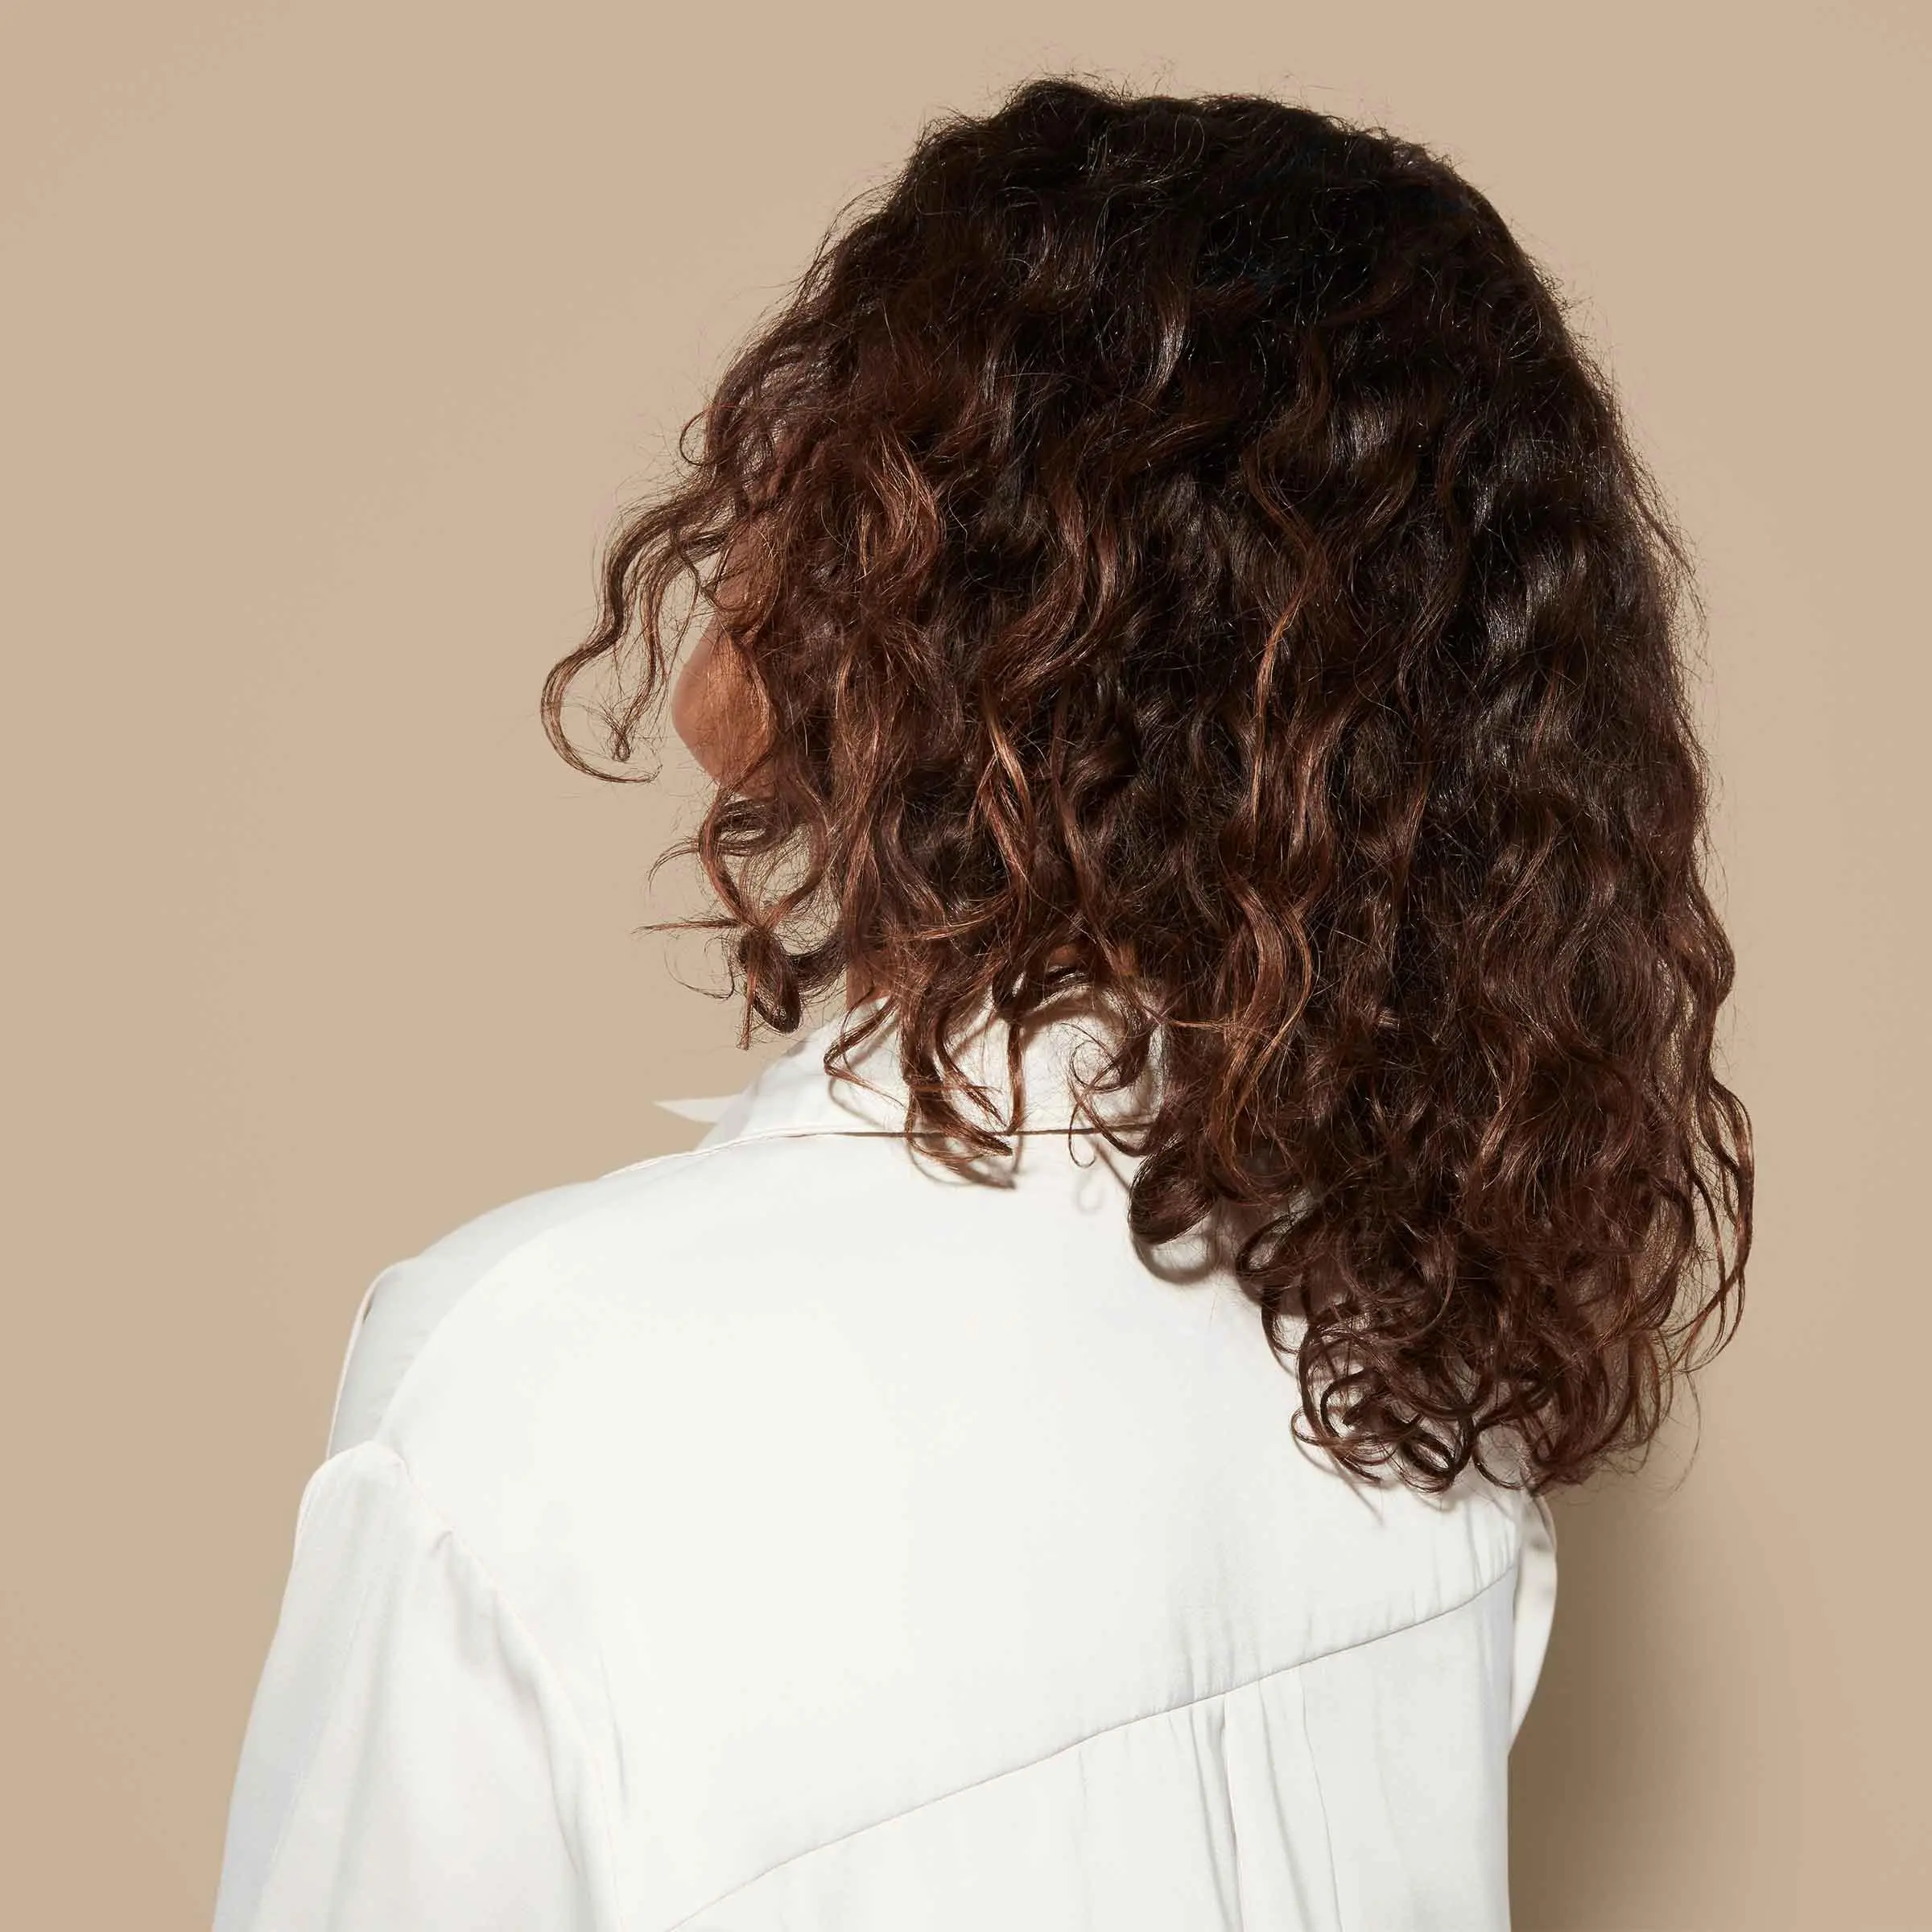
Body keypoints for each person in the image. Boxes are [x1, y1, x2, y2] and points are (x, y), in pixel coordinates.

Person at [211, 76, 1752, 1930]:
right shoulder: (1410, 1376)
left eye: (852, 402)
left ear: (1020, 576)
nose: (759, 457)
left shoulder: (533, 1398)